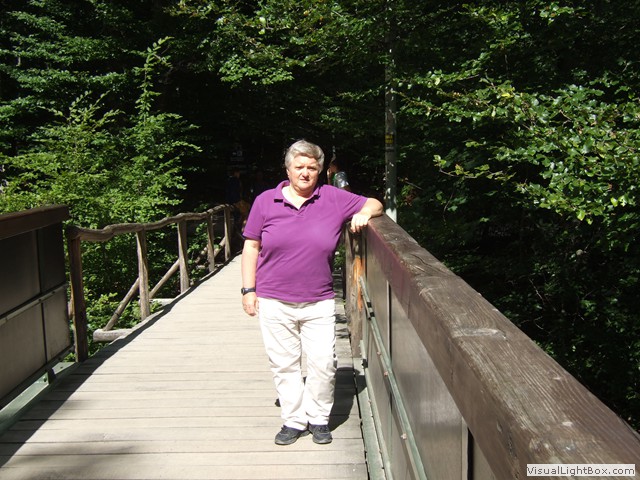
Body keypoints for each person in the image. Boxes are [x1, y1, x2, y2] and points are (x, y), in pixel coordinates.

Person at [240, 140, 383, 446]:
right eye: (299, 167)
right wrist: (248, 290)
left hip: (318, 299)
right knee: (284, 364)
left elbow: (375, 203)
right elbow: (251, 246)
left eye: (311, 168)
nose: (305, 173)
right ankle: (293, 420)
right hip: (273, 298)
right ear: (287, 170)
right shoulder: (265, 201)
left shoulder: (332, 197)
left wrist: (364, 214)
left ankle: (318, 418)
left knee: (323, 362)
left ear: (320, 171)